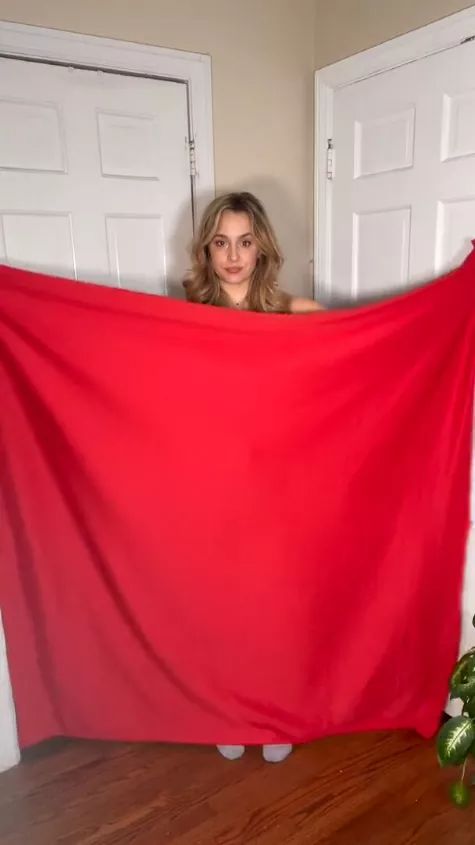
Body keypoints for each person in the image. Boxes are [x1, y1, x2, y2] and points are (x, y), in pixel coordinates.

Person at [184, 192, 322, 764]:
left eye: (244, 241)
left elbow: (366, 344)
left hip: (278, 485)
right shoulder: (185, 317)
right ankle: (228, 710)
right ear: (206, 251)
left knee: (278, 605)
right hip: (213, 483)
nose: (233, 256)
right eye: (221, 242)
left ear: (261, 245)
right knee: (223, 603)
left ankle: (277, 712)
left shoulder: (293, 312)